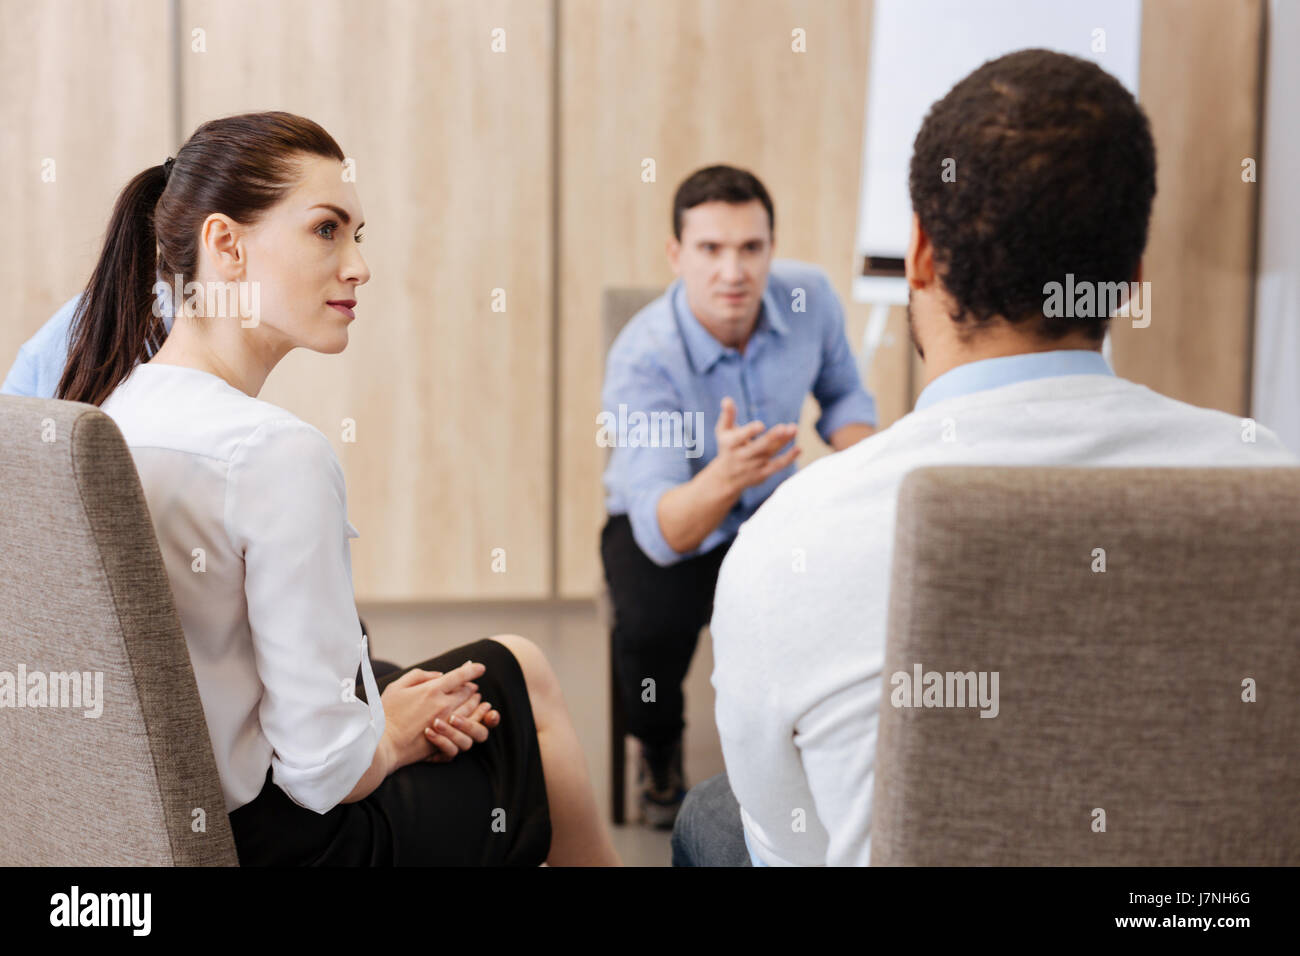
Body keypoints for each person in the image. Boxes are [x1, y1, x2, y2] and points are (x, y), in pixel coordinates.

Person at [678, 49, 1299, 866]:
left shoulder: (791, 539)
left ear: (923, 257)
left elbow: (788, 842)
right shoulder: (1272, 487)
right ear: (1129, 278)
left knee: (711, 817)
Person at [61, 110, 619, 866]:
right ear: (225, 245)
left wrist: (382, 711)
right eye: (327, 230)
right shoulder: (273, 454)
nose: (359, 265)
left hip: (163, 822)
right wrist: (387, 735)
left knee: (439, 683)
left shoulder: (112, 410)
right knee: (518, 676)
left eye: (359, 234)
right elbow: (326, 772)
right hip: (289, 842)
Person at [600, 164, 878, 827]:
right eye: (710, 249)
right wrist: (726, 476)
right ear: (677, 256)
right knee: (650, 624)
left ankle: (819, 751)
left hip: (776, 510)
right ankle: (659, 749)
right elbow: (666, 531)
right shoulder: (644, 357)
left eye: (751, 248)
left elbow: (843, 399)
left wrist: (869, 474)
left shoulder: (810, 296)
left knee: (858, 587)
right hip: (669, 520)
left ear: (771, 248)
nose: (734, 271)